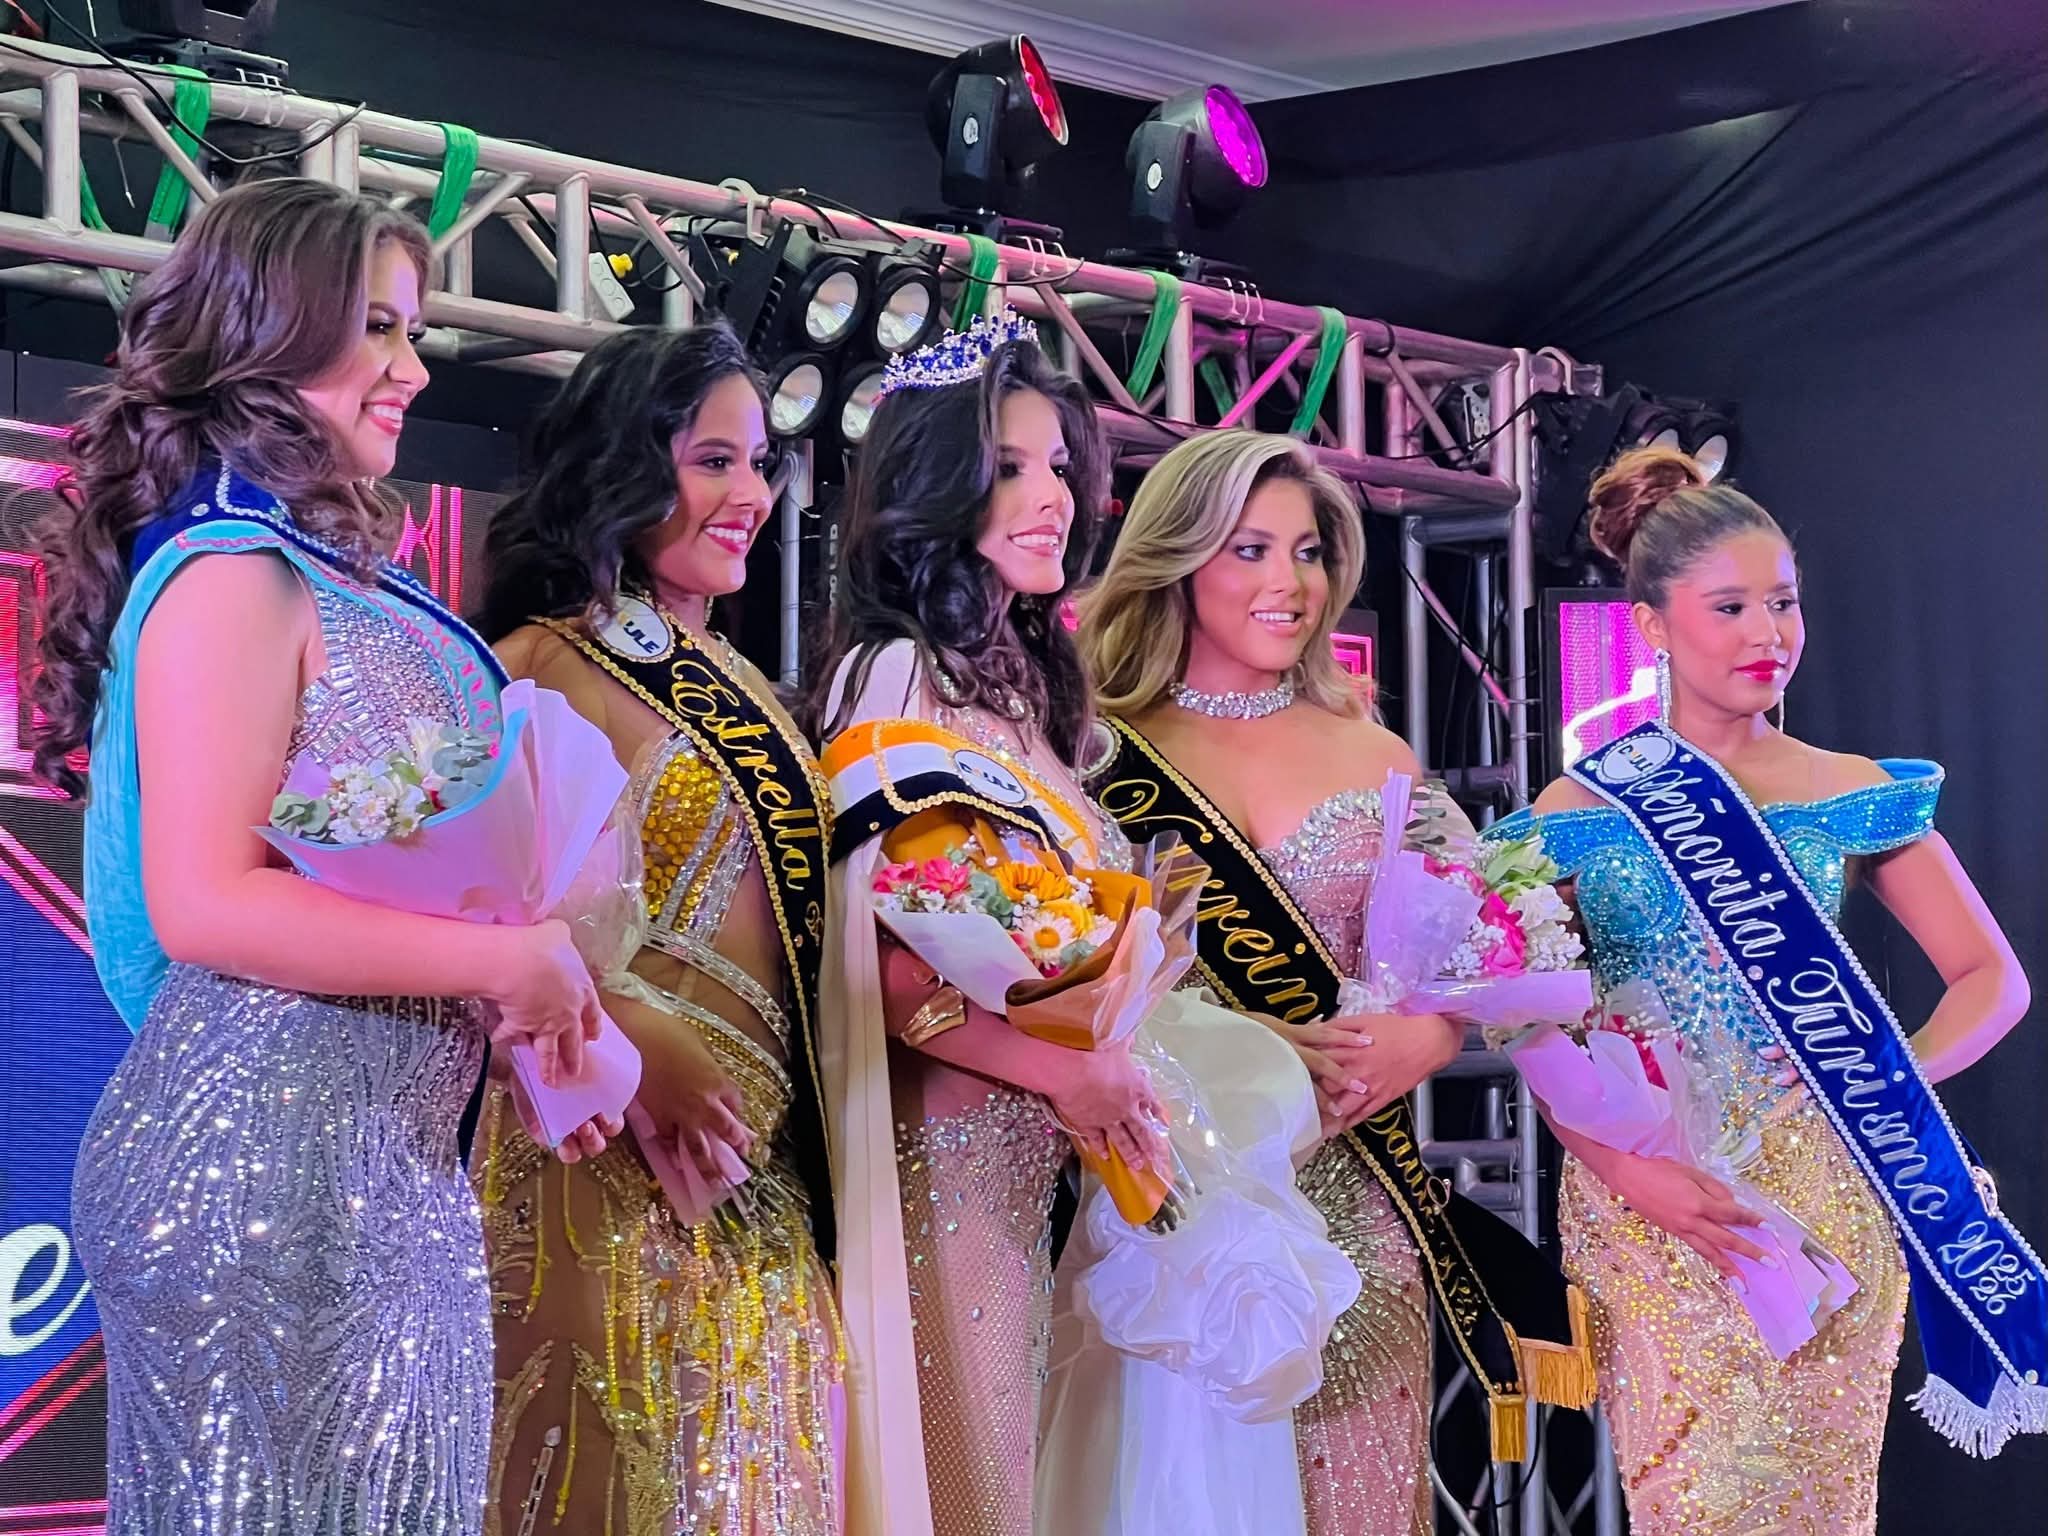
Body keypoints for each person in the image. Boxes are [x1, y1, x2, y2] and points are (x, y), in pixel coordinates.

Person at [40, 178, 603, 1535]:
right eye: (381, 328)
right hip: (257, 1168)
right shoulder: (233, 575)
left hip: (374, 1169)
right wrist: (498, 962)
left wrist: (517, 993)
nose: (416, 369)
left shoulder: (329, 575)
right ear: (274, 330)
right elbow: (203, 904)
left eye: (416, 332)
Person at [1492, 446, 2043, 1533]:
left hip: (1829, 1194)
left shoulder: (1847, 792)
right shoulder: (1574, 811)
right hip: (1652, 1209)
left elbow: (1991, 978)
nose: (1767, 635)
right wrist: (1630, 1173)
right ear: (1650, 626)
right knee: (1688, 1503)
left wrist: (1887, 1074)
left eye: (1783, 604)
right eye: (1730, 607)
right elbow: (1531, 1028)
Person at [1079, 429, 1595, 1536]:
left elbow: (1489, 949)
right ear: (1178, 558)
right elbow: (1065, 979)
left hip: (1358, 1199)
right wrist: (1232, 1049)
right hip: (1172, 1202)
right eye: (1250, 549)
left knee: (1359, 1495)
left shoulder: (1377, 756)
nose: (1290, 582)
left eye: (1308, 552)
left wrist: (1432, 1037)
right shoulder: (1094, 757)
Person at [472, 322, 844, 1535]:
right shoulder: (535, 660)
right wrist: (630, 1041)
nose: (751, 495)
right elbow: (475, 920)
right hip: (601, 1151)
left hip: (756, 1177)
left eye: (760, 463)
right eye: (712, 461)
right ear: (624, 464)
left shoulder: (743, 683)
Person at [804, 314, 1174, 1536]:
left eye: (1059, 466)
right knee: (962, 1490)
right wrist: (1061, 1072)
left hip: (1030, 1165)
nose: (1050, 496)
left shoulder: (1022, 687)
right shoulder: (894, 677)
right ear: (934, 484)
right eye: (1009, 467)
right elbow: (883, 967)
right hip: (941, 1164)